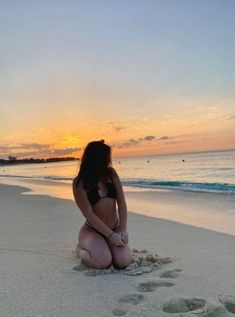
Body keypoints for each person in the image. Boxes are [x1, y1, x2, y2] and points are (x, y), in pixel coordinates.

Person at [72, 140, 133, 269]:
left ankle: (107, 246)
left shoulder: (111, 174)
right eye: (105, 157)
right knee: (103, 262)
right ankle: (80, 250)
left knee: (123, 262)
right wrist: (111, 236)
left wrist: (123, 229)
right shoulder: (79, 183)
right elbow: (89, 214)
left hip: (115, 229)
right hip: (92, 231)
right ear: (94, 159)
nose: (108, 160)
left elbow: (122, 202)